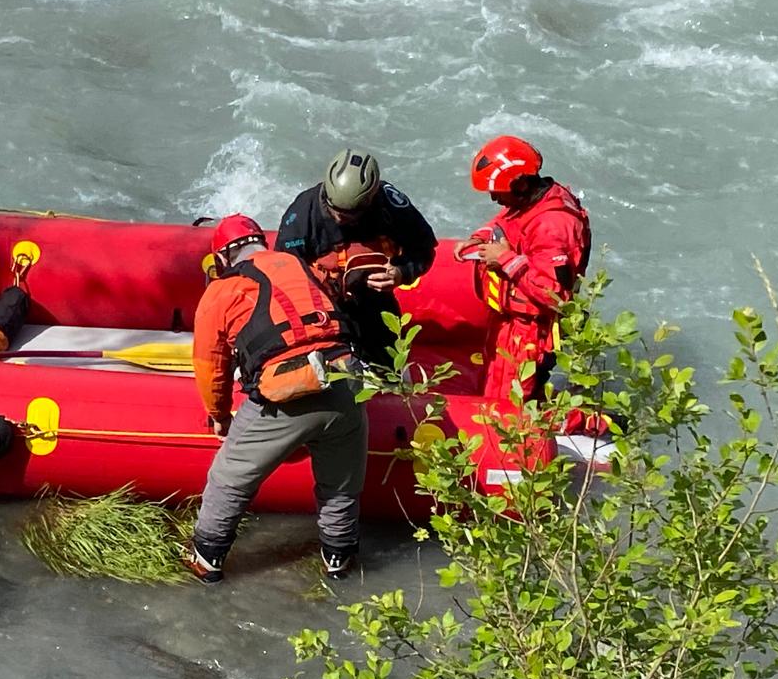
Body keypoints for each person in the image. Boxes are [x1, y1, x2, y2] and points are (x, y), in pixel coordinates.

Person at [186, 215, 369, 583]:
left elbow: (211, 364)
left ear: (222, 259)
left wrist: (219, 415)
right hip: (346, 379)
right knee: (340, 486)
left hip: (287, 388)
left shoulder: (222, 290)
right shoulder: (300, 266)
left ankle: (207, 558)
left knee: (229, 478)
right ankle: (340, 560)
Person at [454, 135, 592, 402]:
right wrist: (479, 238)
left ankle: (590, 422)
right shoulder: (530, 200)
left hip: (532, 332)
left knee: (511, 404)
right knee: (494, 391)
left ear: (520, 184)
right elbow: (507, 222)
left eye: (498, 191)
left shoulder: (554, 225)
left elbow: (555, 296)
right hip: (511, 325)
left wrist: (505, 259)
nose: (493, 198)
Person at [274, 147, 437, 367]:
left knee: (389, 365)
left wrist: (401, 272)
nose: (341, 219)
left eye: (350, 215)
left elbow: (423, 248)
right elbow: (282, 273)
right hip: (322, 307)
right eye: (336, 212)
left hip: (373, 301)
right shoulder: (302, 215)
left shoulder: (390, 204)